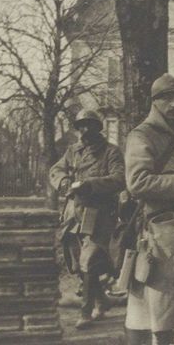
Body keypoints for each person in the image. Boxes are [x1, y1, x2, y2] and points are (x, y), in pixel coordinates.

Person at [123, 73, 174, 345]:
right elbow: (137, 182)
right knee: (161, 301)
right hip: (160, 229)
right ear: (155, 102)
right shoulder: (141, 135)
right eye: (168, 98)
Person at [50, 109, 125, 329]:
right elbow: (56, 169)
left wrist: (90, 184)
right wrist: (63, 182)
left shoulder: (111, 152)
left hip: (99, 214)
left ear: (98, 127)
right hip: (74, 214)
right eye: (80, 125)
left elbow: (120, 178)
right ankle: (102, 301)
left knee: (89, 260)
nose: (83, 130)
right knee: (76, 261)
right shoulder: (73, 151)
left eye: (88, 125)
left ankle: (86, 311)